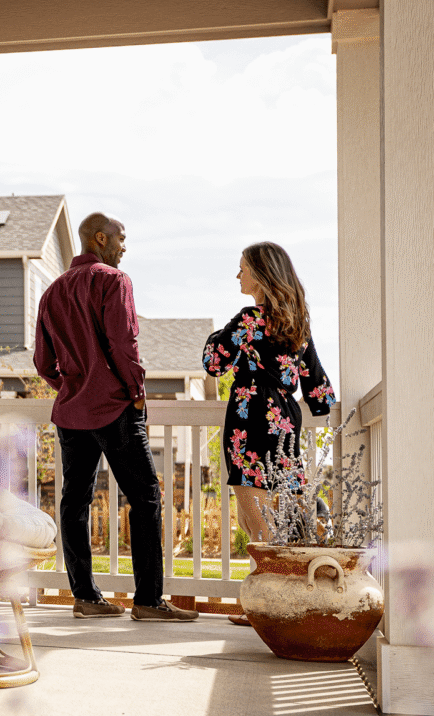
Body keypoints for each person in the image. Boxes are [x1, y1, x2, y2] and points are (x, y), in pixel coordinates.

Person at [34, 212, 198, 622]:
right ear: (101, 238)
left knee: (74, 503)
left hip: (72, 413)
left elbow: (42, 363)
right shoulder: (113, 280)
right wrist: (136, 393)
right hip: (114, 408)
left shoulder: (52, 292)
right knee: (145, 497)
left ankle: (86, 597)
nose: (125, 247)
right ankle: (147, 601)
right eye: (122, 239)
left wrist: (72, 387)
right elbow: (125, 344)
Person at [202, 239, 336, 546]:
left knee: (255, 522)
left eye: (243, 269)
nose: (238, 276)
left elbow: (214, 363)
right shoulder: (297, 321)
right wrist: (316, 407)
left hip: (249, 414)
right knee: (287, 506)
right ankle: (306, 561)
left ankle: (265, 588)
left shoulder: (249, 318)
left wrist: (216, 335)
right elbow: (316, 383)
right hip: (285, 416)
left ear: (261, 275)